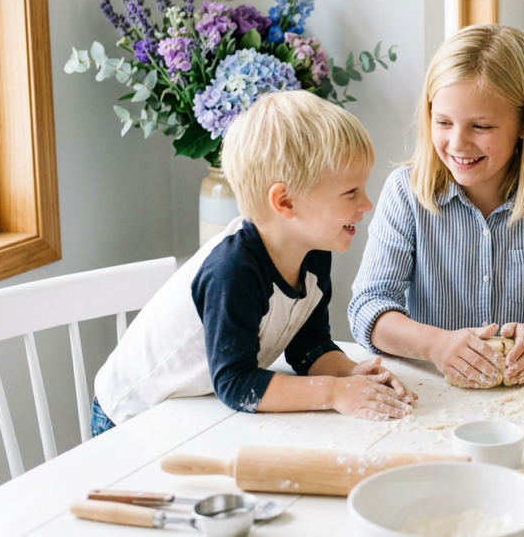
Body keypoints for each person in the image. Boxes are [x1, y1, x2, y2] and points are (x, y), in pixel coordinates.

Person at [91, 91, 415, 436]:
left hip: (193, 410)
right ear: (285, 201)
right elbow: (236, 383)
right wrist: (334, 393)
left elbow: (308, 346)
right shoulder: (232, 271)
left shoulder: (314, 252)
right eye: (351, 192)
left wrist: (351, 374)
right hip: (131, 415)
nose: (366, 204)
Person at [348, 24, 524, 388]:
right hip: (434, 390)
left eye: (481, 126)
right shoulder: (406, 193)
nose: (458, 143)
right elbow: (369, 309)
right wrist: (438, 345)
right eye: (444, 122)